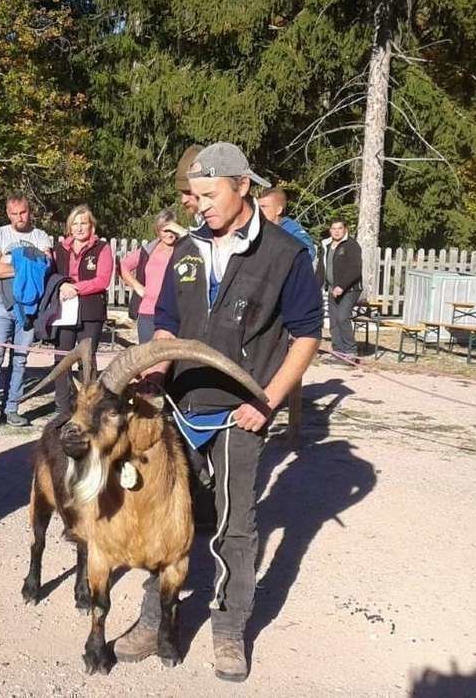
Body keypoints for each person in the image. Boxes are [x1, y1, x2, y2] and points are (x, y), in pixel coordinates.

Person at [114, 143, 322, 682]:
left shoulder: (284, 255)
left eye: (209, 195)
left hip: (240, 413)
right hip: (179, 410)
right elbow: (165, 323)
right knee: (164, 516)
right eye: (195, 195)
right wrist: (155, 369)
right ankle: (154, 615)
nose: (199, 205)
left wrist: (268, 400)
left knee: (234, 525)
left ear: (242, 187)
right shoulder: (185, 249)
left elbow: (306, 337)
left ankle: (230, 629)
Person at [0, 193, 52, 432]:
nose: (19, 218)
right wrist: (27, 266)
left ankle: (11, 409)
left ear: (30, 211)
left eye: (23, 212)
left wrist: (14, 264)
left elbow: (46, 269)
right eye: (14, 214)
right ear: (8, 214)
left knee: (20, 359)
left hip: (30, 305)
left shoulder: (40, 236)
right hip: (1, 302)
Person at [50, 204, 113, 414]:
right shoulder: (59, 249)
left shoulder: (102, 248)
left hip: (90, 311)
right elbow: (51, 275)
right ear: (69, 227)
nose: (79, 228)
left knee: (87, 360)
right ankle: (63, 406)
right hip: (64, 310)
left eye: (83, 223)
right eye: (74, 224)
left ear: (91, 226)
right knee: (61, 358)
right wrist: (61, 286)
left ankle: (90, 405)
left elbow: (102, 280)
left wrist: (76, 288)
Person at [120, 209, 181, 344]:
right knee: (147, 357)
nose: (170, 234)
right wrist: (138, 287)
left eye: (173, 230)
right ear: (158, 231)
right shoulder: (148, 250)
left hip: (173, 314)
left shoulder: (184, 250)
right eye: (166, 230)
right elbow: (123, 266)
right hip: (147, 313)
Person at [317, 220, 363, 359]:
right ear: (330, 230)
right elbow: (321, 269)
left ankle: (350, 352)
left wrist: (342, 286)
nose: (336, 231)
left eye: (339, 228)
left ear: (345, 229)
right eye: (333, 228)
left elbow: (355, 269)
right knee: (334, 321)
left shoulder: (352, 245)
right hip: (332, 289)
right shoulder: (327, 246)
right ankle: (338, 352)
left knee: (342, 317)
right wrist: (314, 288)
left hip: (350, 289)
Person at [257, 187, 316, 262]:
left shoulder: (291, 230)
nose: (259, 210)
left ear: (278, 210)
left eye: (263, 207)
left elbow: (308, 253)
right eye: (258, 207)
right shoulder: (258, 228)